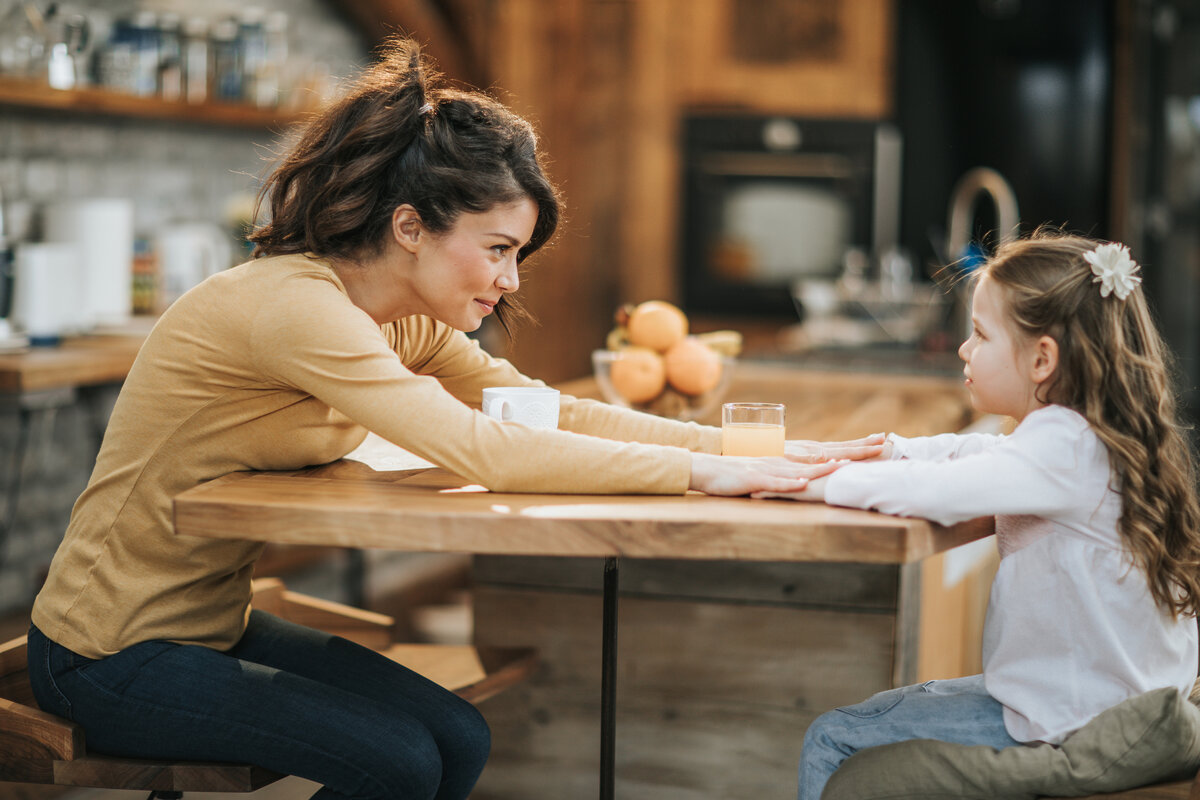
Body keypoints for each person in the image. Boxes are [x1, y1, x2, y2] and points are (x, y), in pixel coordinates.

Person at [25, 38, 877, 800]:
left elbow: (548, 414)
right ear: (409, 228)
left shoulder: (404, 320)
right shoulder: (296, 308)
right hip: (108, 655)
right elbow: (484, 449)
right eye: (498, 249)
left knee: (458, 739)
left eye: (518, 254)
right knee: (397, 762)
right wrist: (706, 474)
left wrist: (753, 450)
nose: (511, 280)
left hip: (210, 621)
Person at [757, 230, 1200, 800]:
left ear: (1042, 359)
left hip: (1069, 721)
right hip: (1109, 701)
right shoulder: (1087, 436)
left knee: (834, 736)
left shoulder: (1066, 447)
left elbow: (941, 491)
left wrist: (794, 482)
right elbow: (980, 454)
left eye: (981, 335)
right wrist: (891, 449)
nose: (964, 349)